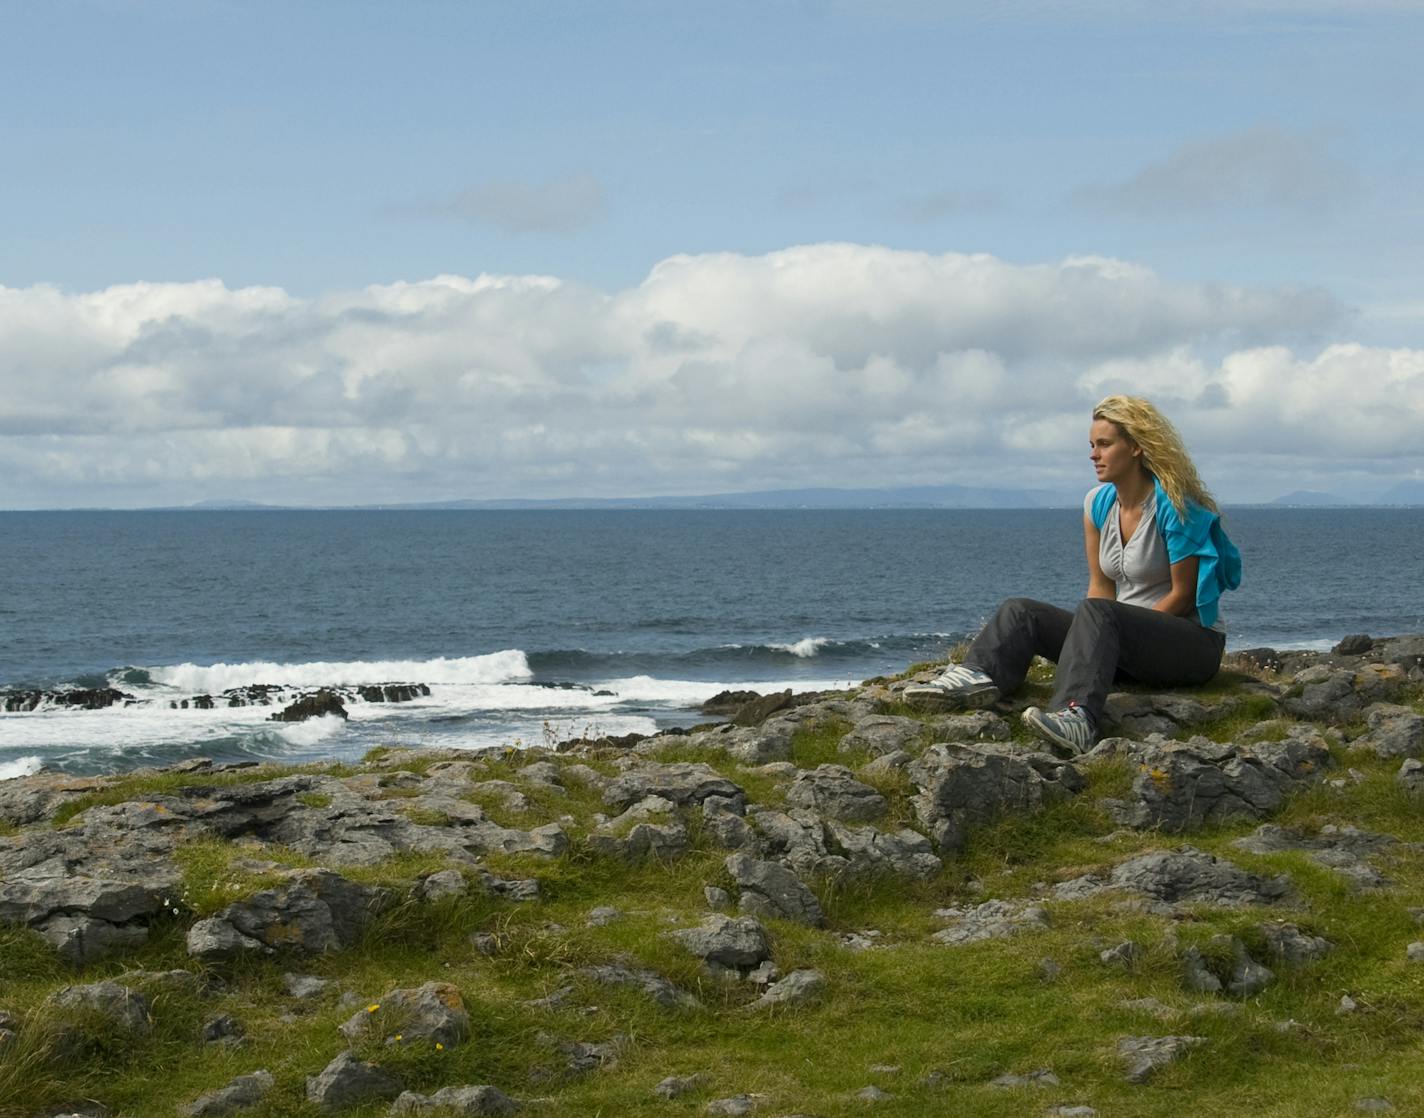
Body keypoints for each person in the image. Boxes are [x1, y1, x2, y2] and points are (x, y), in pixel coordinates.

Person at [903, 394, 1241, 756]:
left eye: (1105, 445)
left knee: (1099, 615)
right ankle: (979, 677)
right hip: (1127, 638)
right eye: (1092, 445)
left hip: (1192, 645)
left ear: (1137, 448)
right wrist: (1098, 646)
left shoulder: (1175, 507)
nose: (1094, 454)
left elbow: (1184, 595)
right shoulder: (1097, 504)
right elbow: (1100, 585)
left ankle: (1076, 718)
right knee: (1022, 611)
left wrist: (1118, 636)